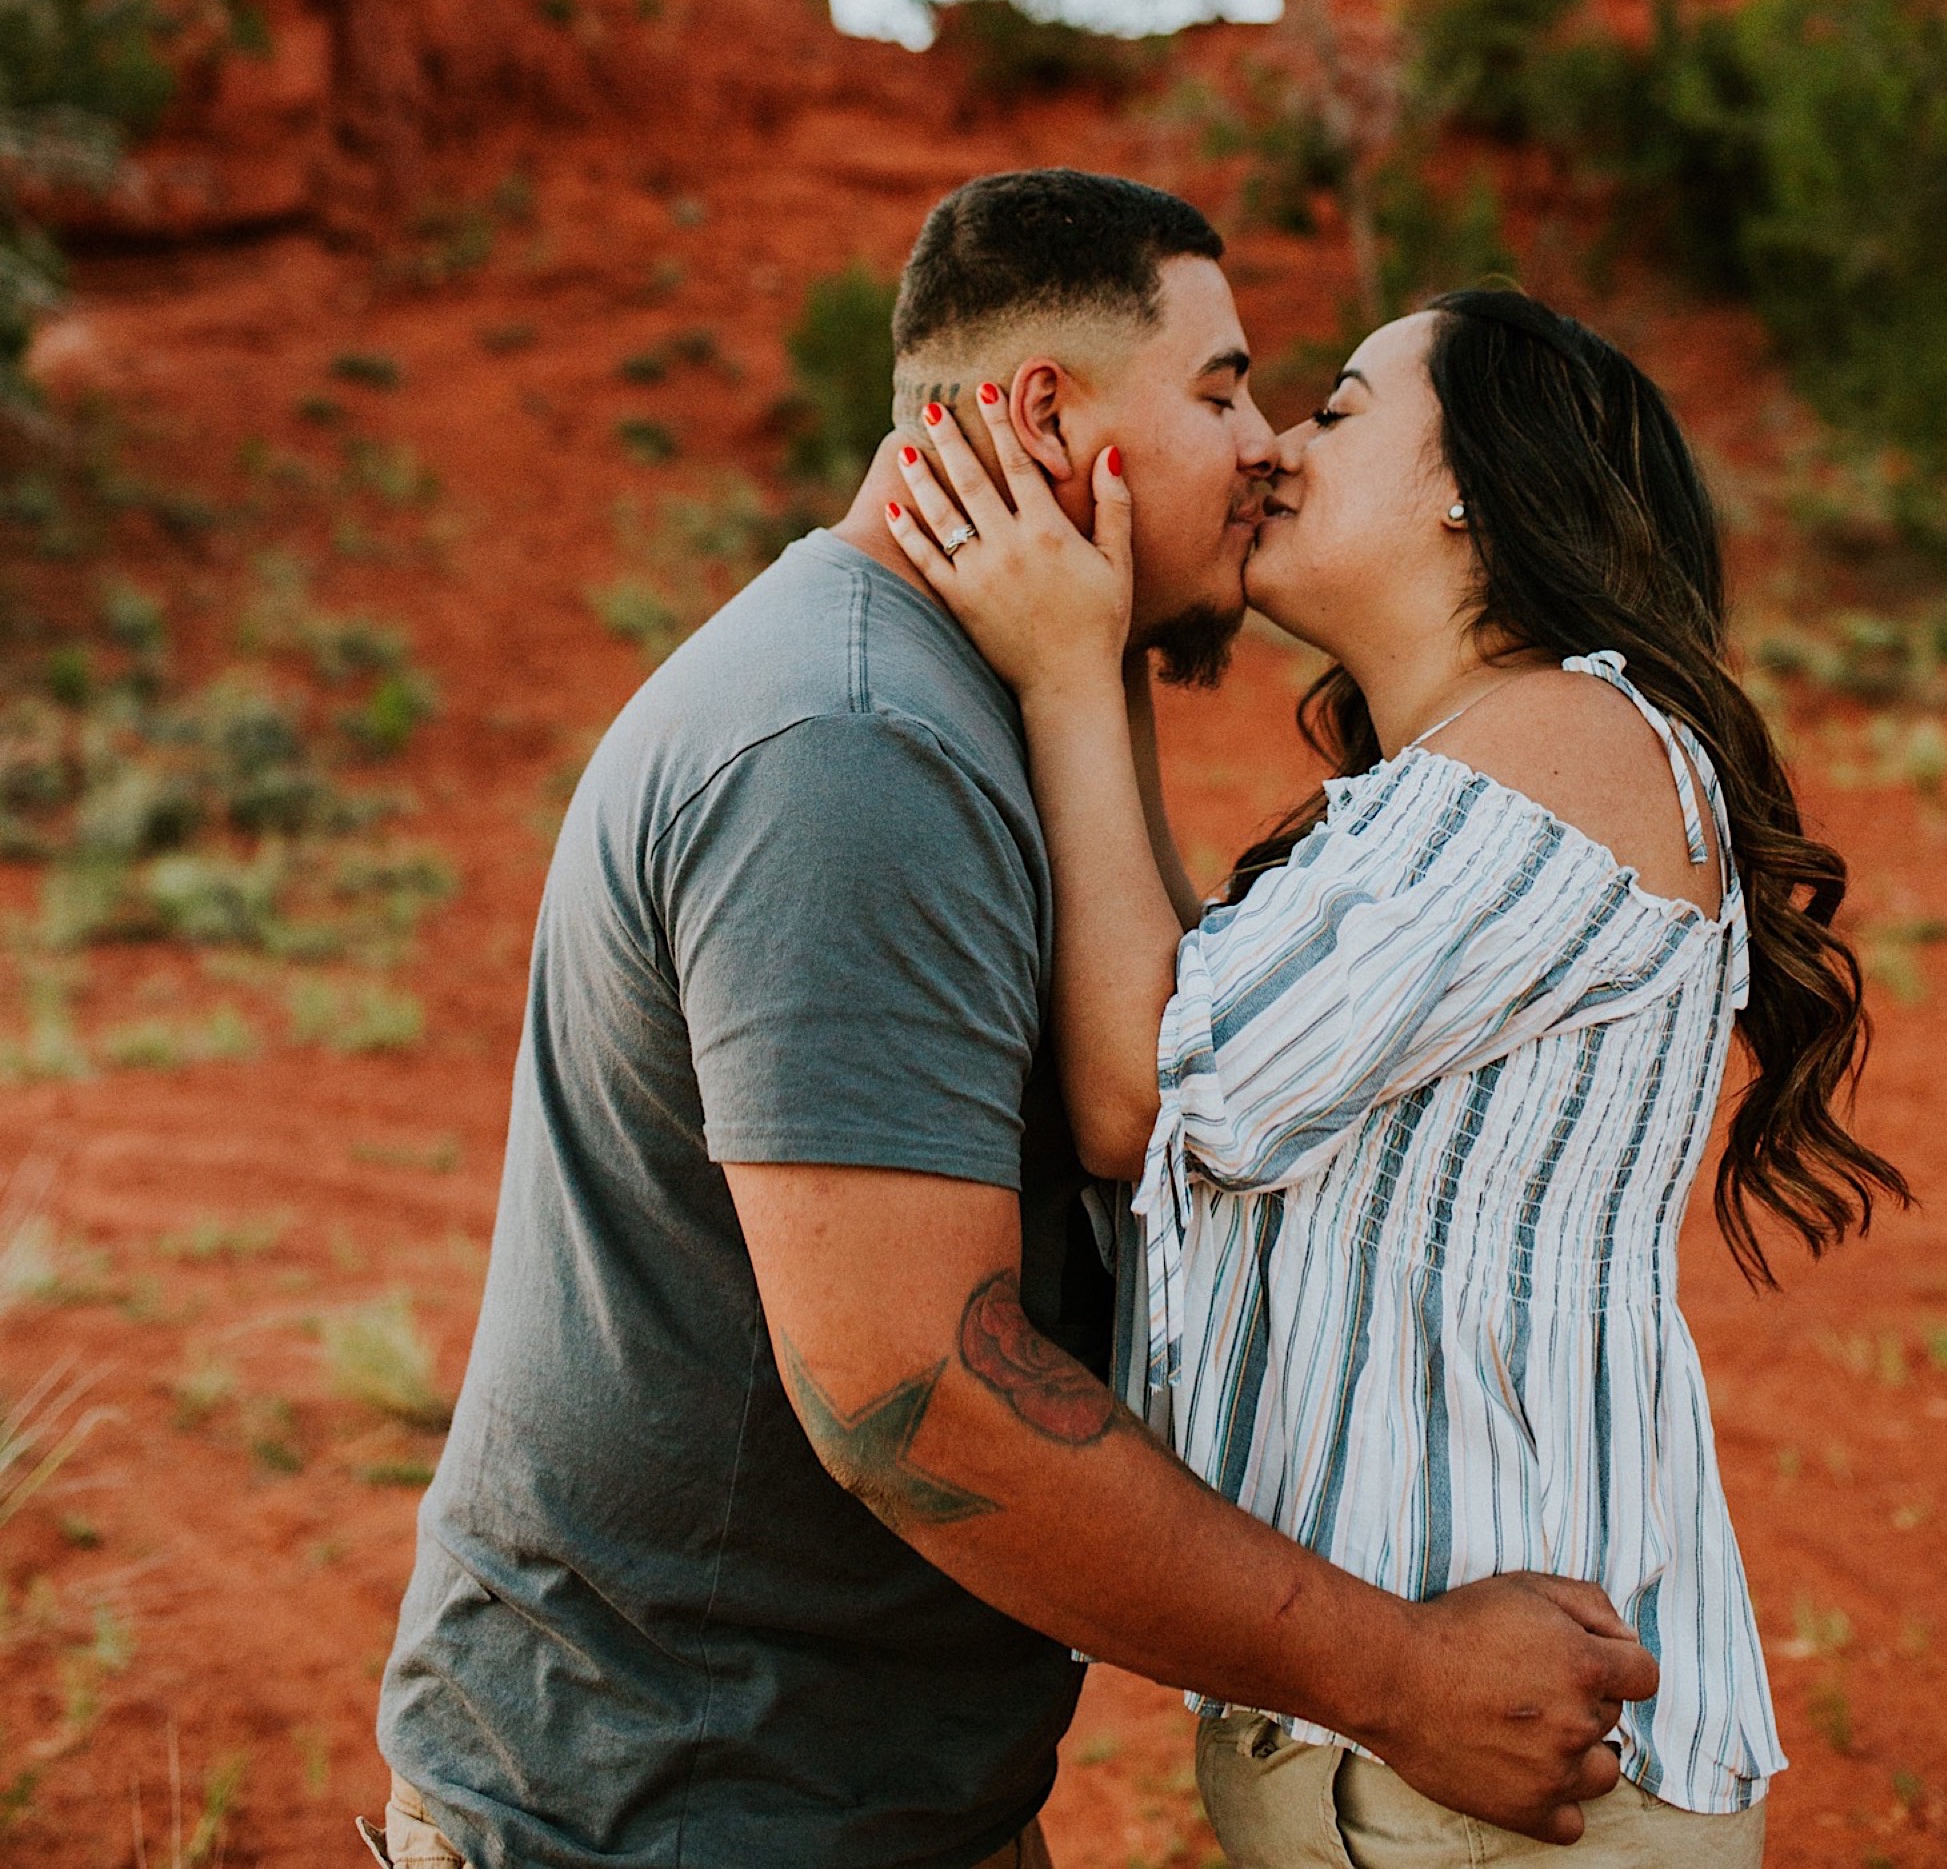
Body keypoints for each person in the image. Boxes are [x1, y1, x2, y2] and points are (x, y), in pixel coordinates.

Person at [374, 182, 1657, 1869]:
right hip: (661, 1812)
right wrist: (1401, 1672)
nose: (1264, 446)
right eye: (1216, 392)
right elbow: (914, 1391)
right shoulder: (846, 750)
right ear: (1049, 413)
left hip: (841, 1795)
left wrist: (1093, 655)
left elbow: (1164, 1058)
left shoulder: (967, 700)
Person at [883, 284, 1907, 1868]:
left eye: (1341, 406)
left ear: (1471, 490)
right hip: (1451, 1768)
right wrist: (1111, 651)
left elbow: (1146, 1092)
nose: (1281, 446)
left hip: (1500, 1780)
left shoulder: (1565, 745)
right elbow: (1173, 998)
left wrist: (1070, 668)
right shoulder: (1464, 778)